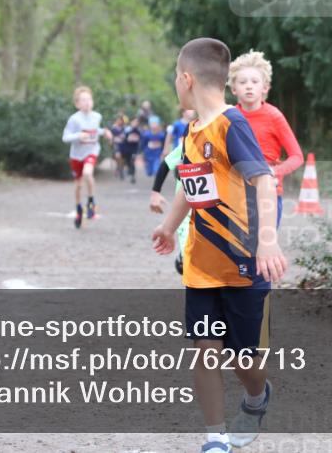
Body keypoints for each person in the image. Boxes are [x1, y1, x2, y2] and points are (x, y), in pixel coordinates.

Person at [151, 37, 287, 453]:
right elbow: (190, 187)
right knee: (205, 352)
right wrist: (169, 226)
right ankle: (215, 436)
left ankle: (255, 396)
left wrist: (267, 243)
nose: (176, 85)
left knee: (244, 362)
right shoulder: (192, 131)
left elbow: (263, 179)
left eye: (176, 79)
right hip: (201, 267)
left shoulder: (233, 124)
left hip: (244, 263)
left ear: (187, 79)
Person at [229, 50, 304, 225]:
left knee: (264, 247)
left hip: (268, 193)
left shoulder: (274, 116)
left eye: (255, 81)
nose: (249, 86)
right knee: (237, 250)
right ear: (233, 89)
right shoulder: (228, 117)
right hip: (235, 194)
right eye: (242, 82)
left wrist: (274, 172)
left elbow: (297, 156)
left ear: (265, 88)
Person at [61, 86, 112, 228]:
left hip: (92, 151)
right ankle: (78, 208)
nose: (87, 102)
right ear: (77, 104)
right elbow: (65, 137)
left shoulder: (97, 116)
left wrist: (105, 132)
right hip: (77, 155)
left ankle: (91, 202)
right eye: (83, 100)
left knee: (88, 173)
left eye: (89, 99)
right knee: (78, 185)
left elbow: (95, 131)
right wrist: (78, 136)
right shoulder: (74, 119)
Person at [149, 141, 191, 274]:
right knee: (187, 261)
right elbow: (166, 163)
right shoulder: (192, 138)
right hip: (185, 211)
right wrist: (155, 193)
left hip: (213, 209)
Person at [120, 115, 142, 184]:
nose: (135, 123)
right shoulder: (127, 129)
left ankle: (132, 176)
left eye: (136, 122)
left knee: (132, 161)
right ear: (131, 122)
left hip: (134, 149)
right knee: (127, 161)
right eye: (134, 122)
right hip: (126, 149)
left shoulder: (139, 130)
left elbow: (141, 139)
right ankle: (124, 171)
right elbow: (123, 138)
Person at [109, 115, 127, 180]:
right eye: (118, 120)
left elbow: (126, 136)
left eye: (120, 120)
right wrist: (111, 141)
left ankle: (120, 168)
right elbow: (110, 137)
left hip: (123, 145)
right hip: (116, 145)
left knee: (122, 158)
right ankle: (120, 169)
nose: (119, 121)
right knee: (117, 156)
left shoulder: (124, 128)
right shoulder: (113, 128)